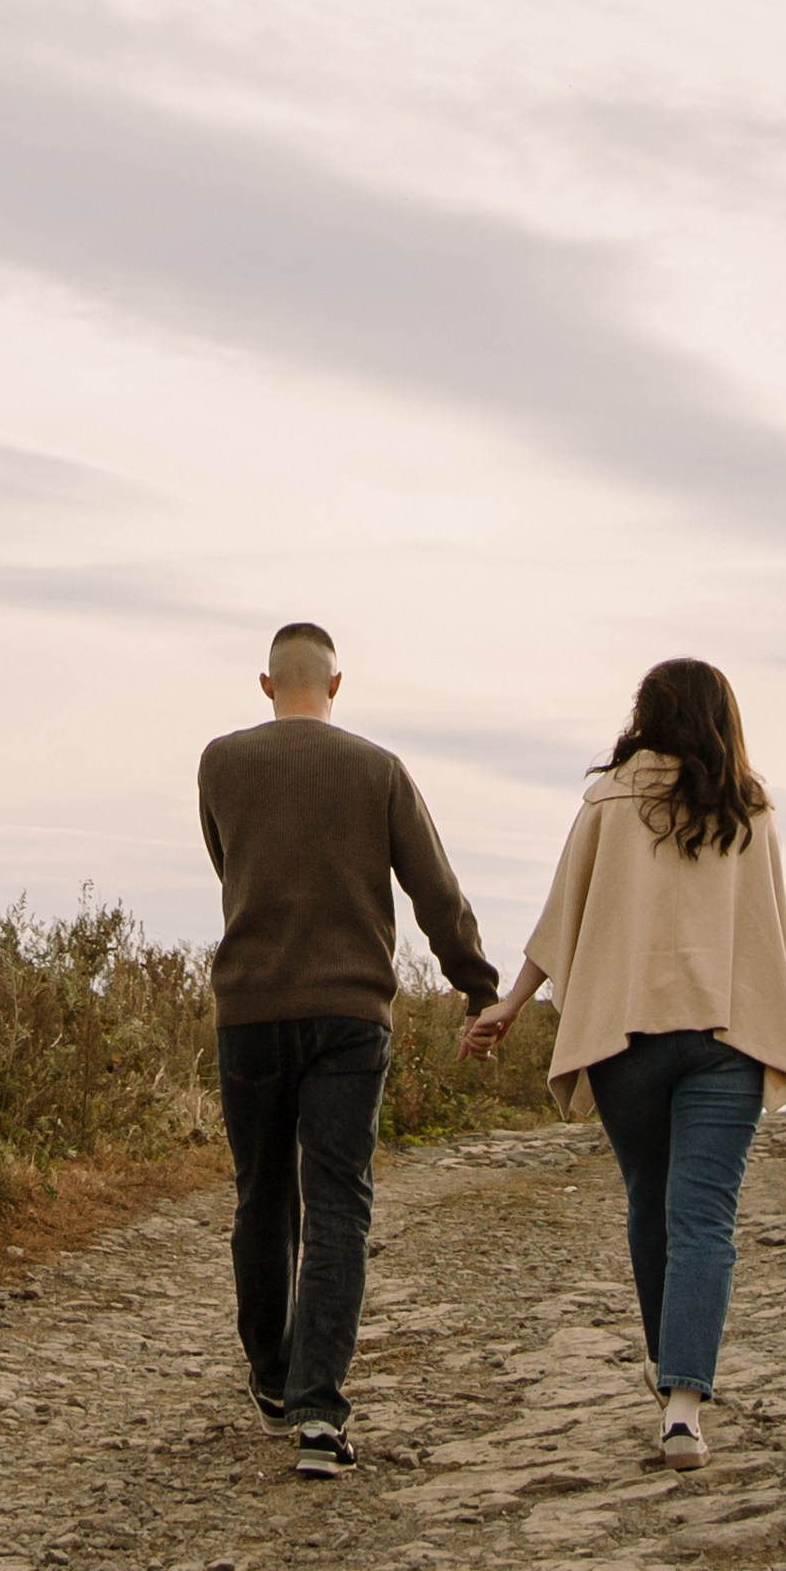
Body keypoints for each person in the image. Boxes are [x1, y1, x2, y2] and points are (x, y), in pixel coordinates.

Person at [461, 658, 786, 1472]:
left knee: (652, 1203)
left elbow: (561, 915)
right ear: (723, 719)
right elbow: (768, 932)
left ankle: (669, 1365)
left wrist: (511, 1004)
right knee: (704, 1219)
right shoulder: (748, 808)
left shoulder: (608, 801)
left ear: (643, 717)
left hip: (627, 1040)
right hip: (725, 1037)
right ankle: (682, 1404)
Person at [199, 621, 499, 1479]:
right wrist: (478, 988)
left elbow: (228, 863)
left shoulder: (219, 761)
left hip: (249, 1008)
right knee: (338, 1204)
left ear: (266, 684)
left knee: (263, 1197)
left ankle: (270, 1378)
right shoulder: (379, 769)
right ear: (337, 685)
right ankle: (320, 1415)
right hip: (350, 1014)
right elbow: (436, 890)